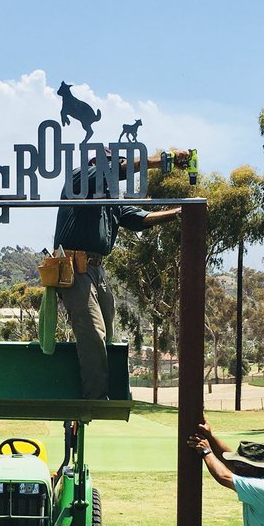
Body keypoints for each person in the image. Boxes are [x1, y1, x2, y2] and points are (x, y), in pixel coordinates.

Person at [53, 148, 189, 399]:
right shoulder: (79, 178)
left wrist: (178, 213)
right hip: (72, 268)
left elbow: (141, 218)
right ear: (96, 162)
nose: (120, 169)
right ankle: (95, 397)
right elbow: (117, 172)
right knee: (93, 331)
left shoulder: (111, 200)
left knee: (108, 332)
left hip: (97, 269)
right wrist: (163, 160)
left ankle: (108, 389)